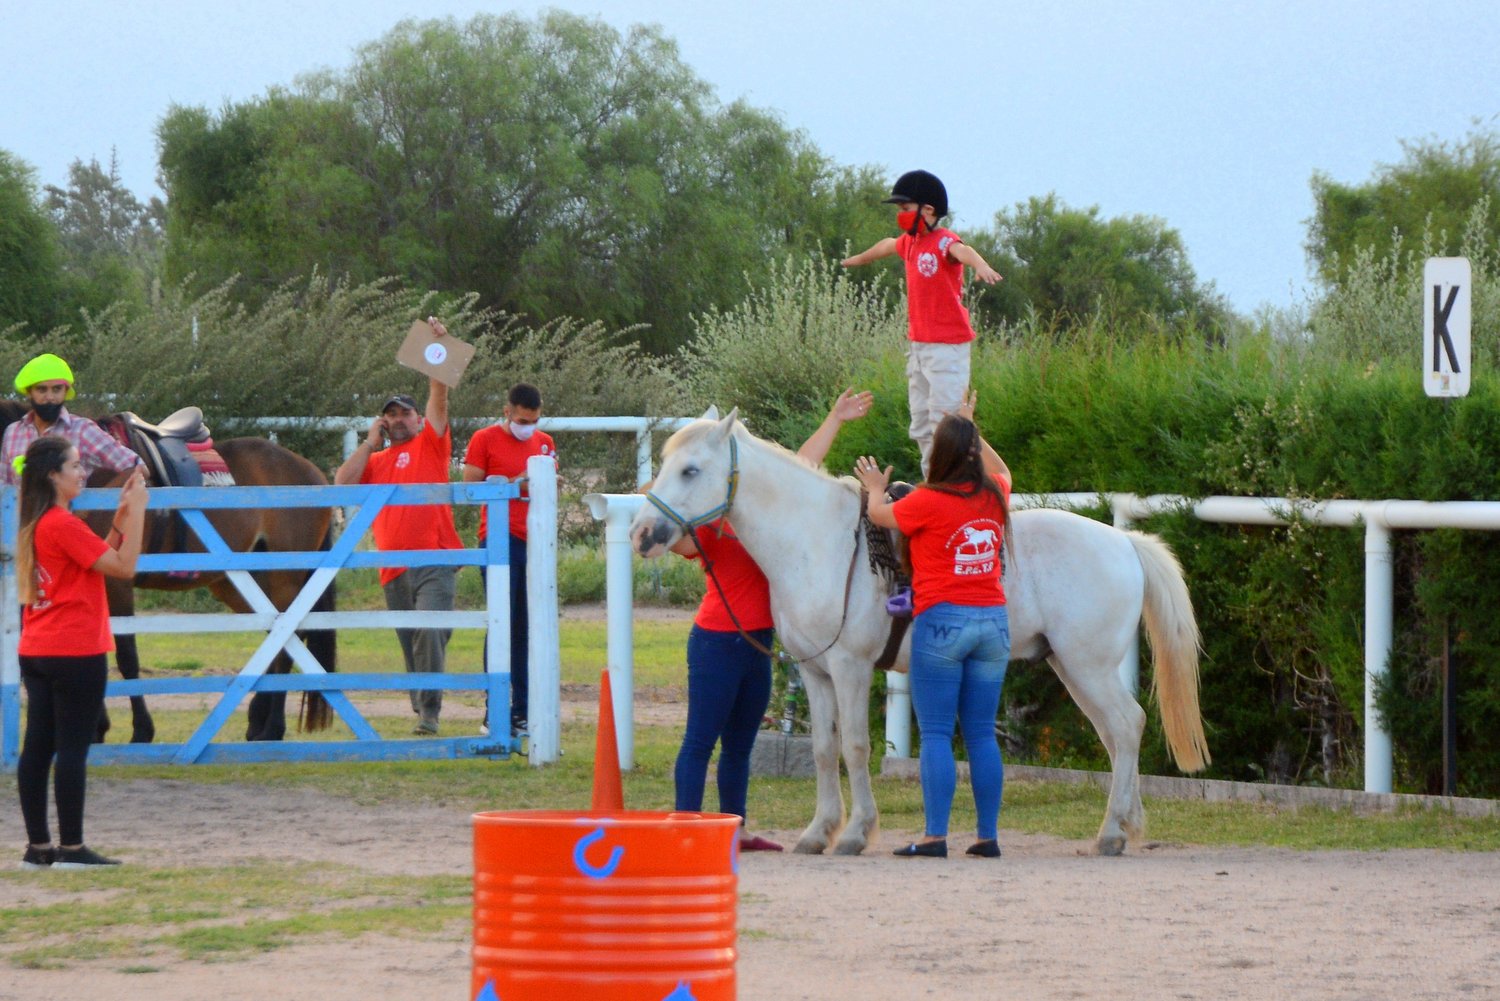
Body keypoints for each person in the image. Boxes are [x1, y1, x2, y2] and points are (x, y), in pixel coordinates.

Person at [667, 388, 873, 853]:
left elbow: (802, 464)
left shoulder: (765, 523)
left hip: (757, 642)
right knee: (700, 740)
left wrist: (834, 419)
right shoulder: (708, 524)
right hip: (717, 641)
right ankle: (684, 829)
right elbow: (673, 537)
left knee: (739, 746)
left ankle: (734, 830)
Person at [854, 390, 1011, 859]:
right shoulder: (995, 495)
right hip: (994, 624)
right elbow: (1002, 471)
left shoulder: (926, 501)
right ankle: (987, 836)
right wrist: (971, 427)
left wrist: (875, 485)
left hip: (942, 621)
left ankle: (935, 835)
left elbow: (879, 515)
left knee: (939, 732)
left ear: (938, 456)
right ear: (971, 452)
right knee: (981, 732)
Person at [16, 437, 148, 869]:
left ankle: (38, 849)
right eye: (75, 466)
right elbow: (124, 567)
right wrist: (142, 511)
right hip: (75, 648)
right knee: (72, 750)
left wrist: (121, 518)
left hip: (38, 647)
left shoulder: (37, 523)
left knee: (37, 749)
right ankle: (72, 848)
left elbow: (95, 559)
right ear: (54, 475)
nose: (82, 472)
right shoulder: (62, 523)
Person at [334, 319, 462, 736]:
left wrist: (438, 350)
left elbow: (438, 398)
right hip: (392, 566)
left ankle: (429, 713)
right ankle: (423, 703)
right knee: (413, 638)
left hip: (435, 557)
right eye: (391, 414)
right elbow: (342, 484)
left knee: (427, 629)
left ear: (417, 419)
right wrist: (370, 440)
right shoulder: (376, 461)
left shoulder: (431, 443)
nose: (399, 418)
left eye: (405, 412)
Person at [841, 170, 1002, 476]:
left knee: (947, 424)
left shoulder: (944, 242)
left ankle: (955, 483)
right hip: (919, 347)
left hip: (947, 348)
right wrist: (858, 259)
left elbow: (962, 251)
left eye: (905, 209)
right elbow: (885, 245)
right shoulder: (910, 243)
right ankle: (934, 481)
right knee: (921, 424)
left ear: (928, 211)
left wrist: (980, 264)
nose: (900, 215)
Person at [462, 383, 557, 737]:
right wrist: (513, 485)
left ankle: (523, 711)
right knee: (502, 626)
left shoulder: (545, 442)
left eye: (533, 420)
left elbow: (547, 489)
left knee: (526, 630)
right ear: (507, 411)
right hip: (499, 541)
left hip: (535, 543)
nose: (527, 426)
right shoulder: (484, 439)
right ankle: (495, 710)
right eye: (521, 419)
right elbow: (470, 488)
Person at [2, 353, 141, 488]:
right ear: (29, 392)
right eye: (41, 389)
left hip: (69, 512)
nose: (50, 397)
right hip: (23, 512)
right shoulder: (13, 433)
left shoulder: (82, 430)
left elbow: (137, 467)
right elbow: (4, 486)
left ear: (65, 391)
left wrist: (92, 504)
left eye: (56, 389)